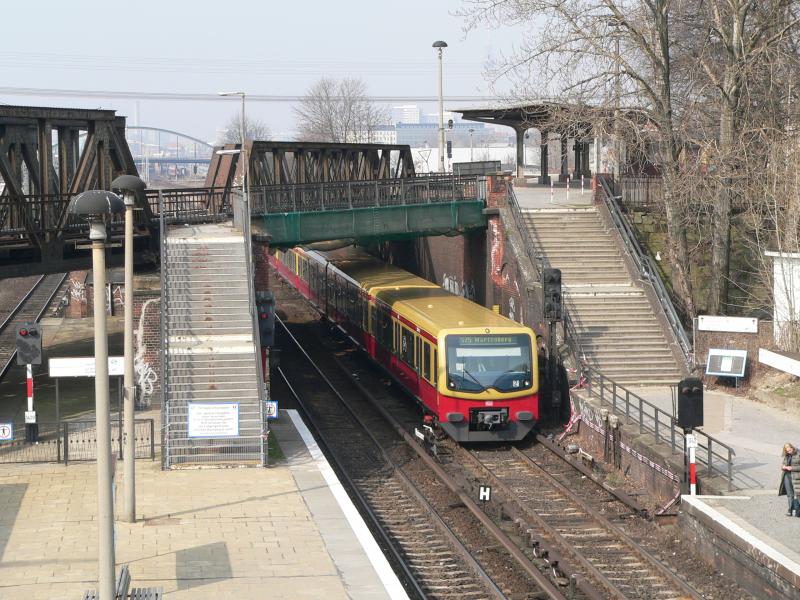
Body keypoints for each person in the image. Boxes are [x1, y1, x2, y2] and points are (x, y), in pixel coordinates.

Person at [778, 443, 800, 516]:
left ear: (792, 447)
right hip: (787, 476)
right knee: (790, 494)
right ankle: (790, 510)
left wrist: (792, 468)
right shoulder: (786, 456)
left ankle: (797, 511)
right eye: (787, 450)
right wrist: (783, 467)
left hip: (796, 477)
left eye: (789, 449)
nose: (788, 451)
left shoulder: (798, 454)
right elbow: (783, 464)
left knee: (797, 494)